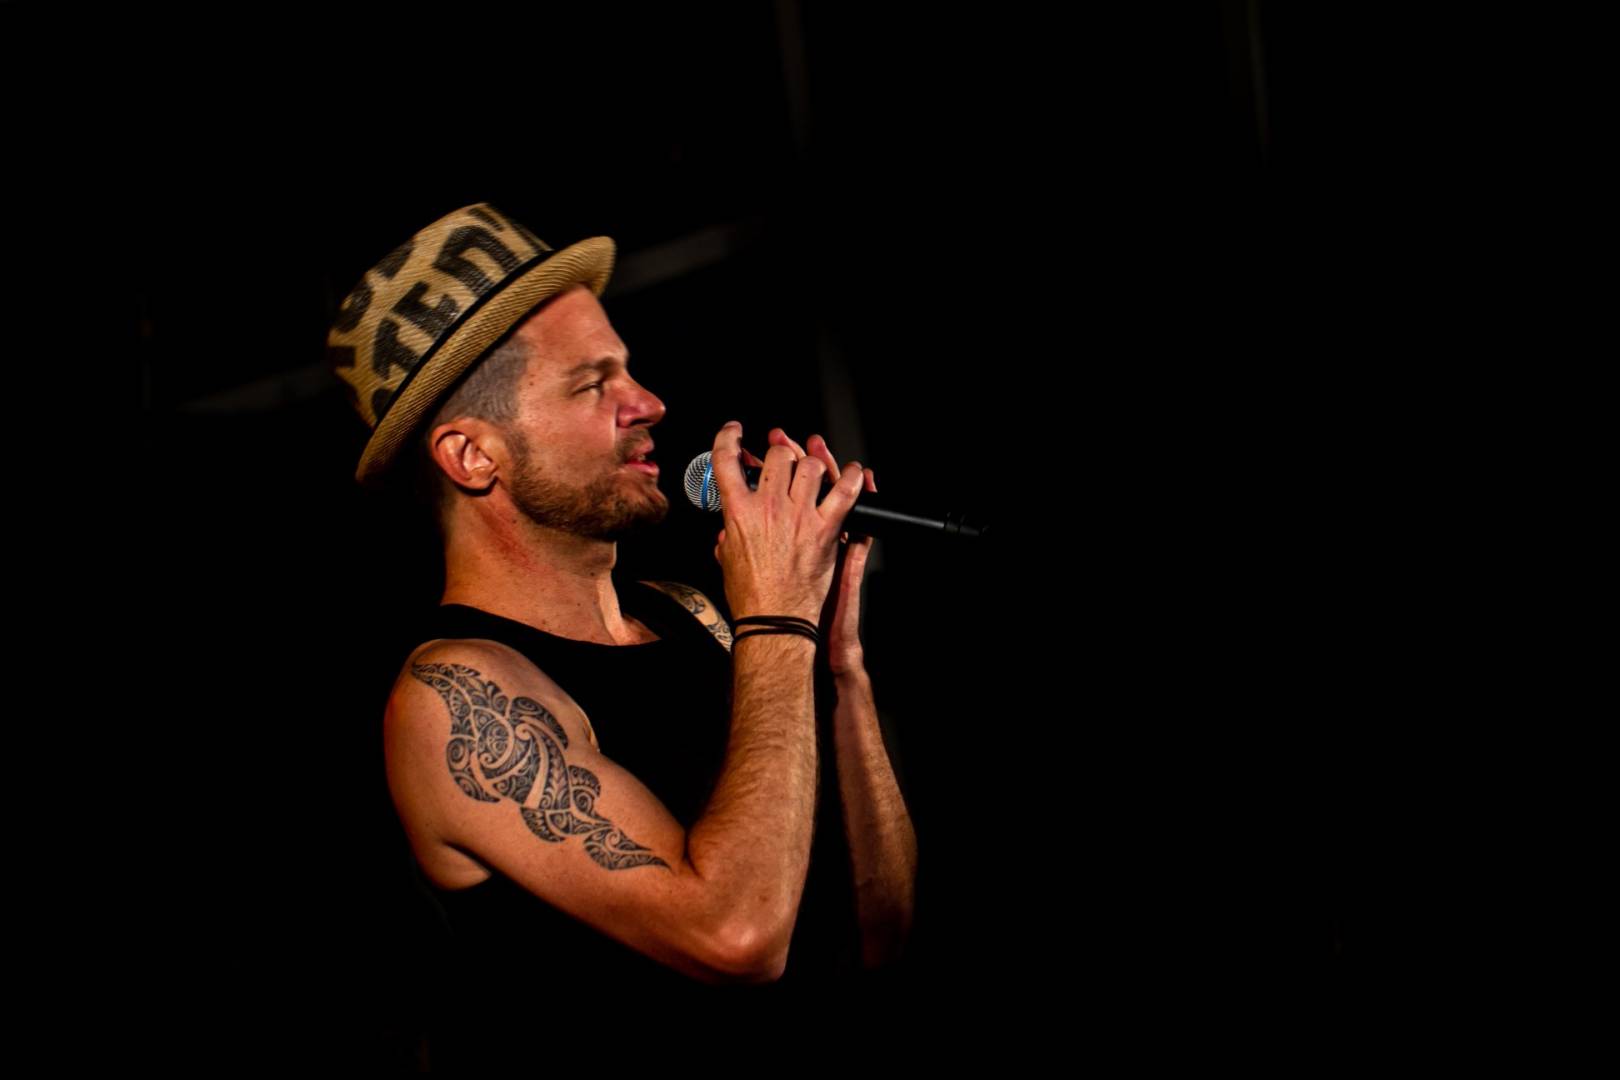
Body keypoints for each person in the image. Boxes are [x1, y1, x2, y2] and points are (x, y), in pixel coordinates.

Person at [327, 202, 917, 1056]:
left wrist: (838, 670)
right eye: (591, 383)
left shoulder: (694, 615)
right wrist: (776, 618)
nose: (647, 403)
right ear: (472, 456)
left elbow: (881, 931)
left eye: (628, 372)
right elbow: (736, 937)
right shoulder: (452, 697)